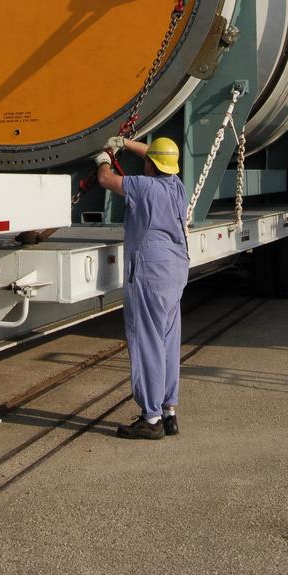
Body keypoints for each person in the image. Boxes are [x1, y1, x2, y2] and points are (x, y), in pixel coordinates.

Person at [95, 135, 190, 440]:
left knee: (147, 342)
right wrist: (126, 142)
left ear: (149, 166)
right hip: (176, 270)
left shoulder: (143, 186)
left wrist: (105, 157)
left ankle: (150, 419)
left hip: (150, 271)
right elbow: (157, 154)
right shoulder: (177, 186)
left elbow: (106, 180)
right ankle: (169, 411)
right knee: (167, 342)